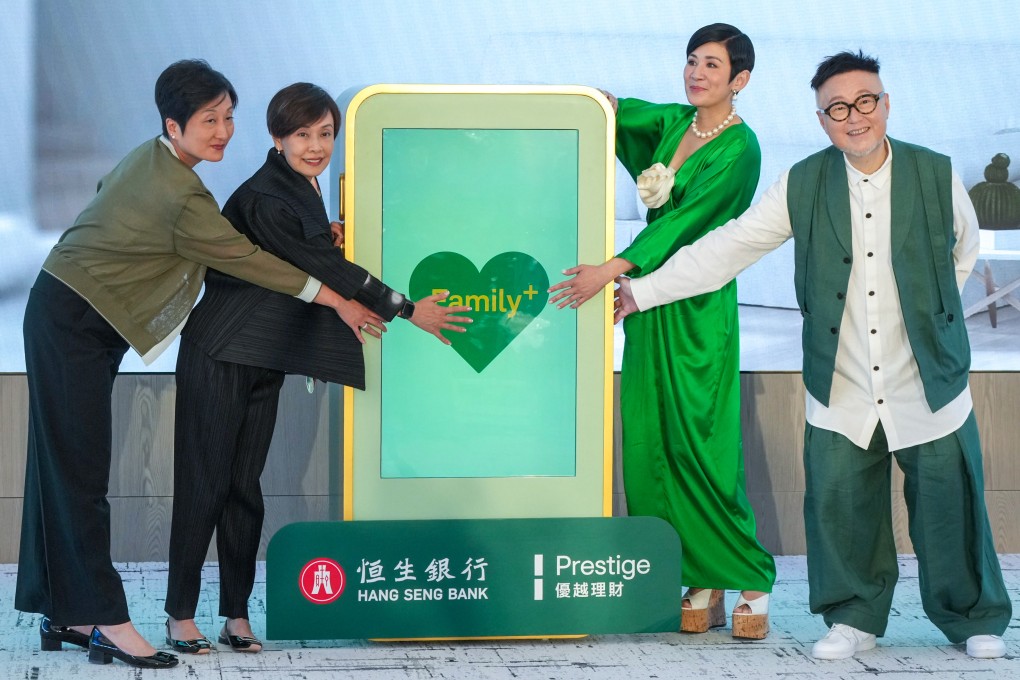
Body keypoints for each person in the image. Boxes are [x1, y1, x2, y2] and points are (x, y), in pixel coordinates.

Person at [614, 50, 1012, 659]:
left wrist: (935, 318)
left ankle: (973, 618)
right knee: (840, 501)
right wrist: (642, 290)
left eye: (865, 102)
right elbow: (731, 246)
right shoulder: (802, 181)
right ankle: (853, 618)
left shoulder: (935, 173)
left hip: (925, 376)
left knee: (948, 498)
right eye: (837, 109)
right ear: (822, 119)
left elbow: (964, 247)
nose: (854, 117)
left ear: (885, 104)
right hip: (843, 376)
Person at [16, 60, 383, 670]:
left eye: (229, 118)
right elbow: (244, 257)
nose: (222, 132)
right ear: (174, 124)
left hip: (71, 315)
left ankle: (66, 612)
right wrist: (338, 297)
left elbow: (125, 206)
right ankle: (107, 620)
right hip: (72, 322)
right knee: (79, 476)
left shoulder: (153, 160)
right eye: (209, 120)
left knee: (59, 468)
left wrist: (318, 233)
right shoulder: (180, 192)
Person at [162, 82, 471, 654]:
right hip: (222, 352)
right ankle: (180, 615)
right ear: (277, 138)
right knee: (204, 485)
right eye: (302, 134)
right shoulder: (267, 195)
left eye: (325, 133)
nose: (315, 146)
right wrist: (406, 309)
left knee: (243, 488)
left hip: (265, 354)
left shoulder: (299, 187)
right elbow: (322, 264)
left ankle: (236, 615)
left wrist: (325, 232)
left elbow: (309, 250)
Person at [548, 23, 774, 639]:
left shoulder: (741, 149)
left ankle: (749, 578)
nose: (697, 73)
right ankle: (695, 574)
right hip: (643, 302)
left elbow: (687, 226)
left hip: (695, 304)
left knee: (704, 444)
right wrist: (582, 101)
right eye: (692, 61)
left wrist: (612, 269)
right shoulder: (674, 122)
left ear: (741, 80)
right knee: (652, 439)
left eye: (712, 66)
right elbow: (608, 113)